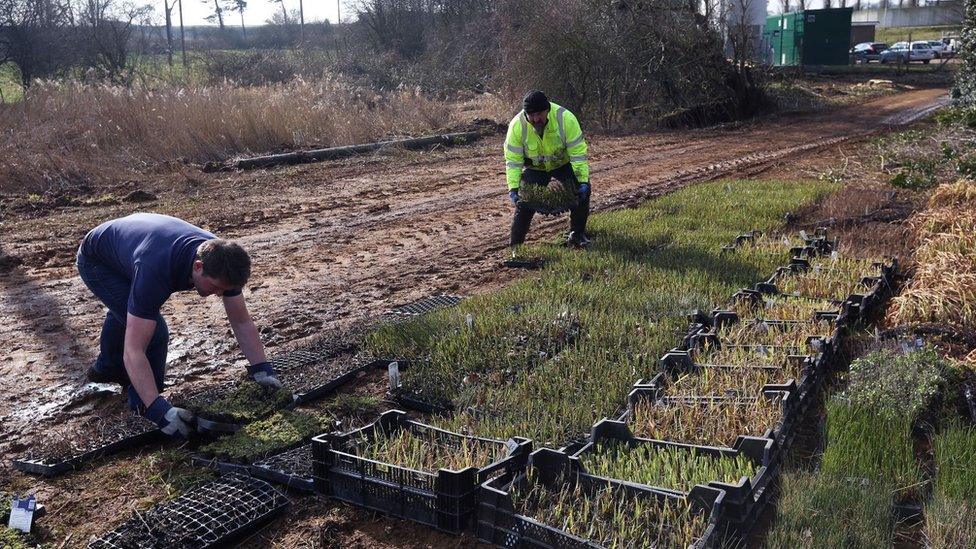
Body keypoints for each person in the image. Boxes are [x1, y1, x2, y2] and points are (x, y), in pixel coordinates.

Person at [77, 213, 279, 438]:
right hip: (98, 261)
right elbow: (134, 350)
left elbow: (241, 320)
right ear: (198, 266)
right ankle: (141, 407)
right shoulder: (156, 270)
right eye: (215, 287)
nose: (220, 294)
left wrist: (261, 369)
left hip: (133, 247)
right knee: (153, 333)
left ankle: (106, 369)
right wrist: (159, 410)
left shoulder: (224, 263)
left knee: (130, 309)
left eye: (224, 289)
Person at [504, 90, 591, 247]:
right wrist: (513, 188)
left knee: (582, 192)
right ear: (525, 113)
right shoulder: (516, 126)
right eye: (531, 115)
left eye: (540, 114)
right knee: (524, 203)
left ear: (547, 110)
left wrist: (583, 181)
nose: (536, 119)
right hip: (535, 169)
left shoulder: (566, 119)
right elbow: (513, 161)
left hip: (563, 164)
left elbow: (578, 154)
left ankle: (577, 234)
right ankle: (516, 247)